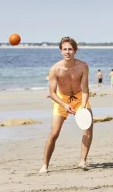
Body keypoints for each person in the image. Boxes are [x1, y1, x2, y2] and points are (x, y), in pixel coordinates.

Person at [40, 37, 93, 173]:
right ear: (60, 51)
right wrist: (64, 105)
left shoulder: (83, 67)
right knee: (54, 133)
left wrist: (82, 106)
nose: (67, 52)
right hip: (61, 99)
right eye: (64, 49)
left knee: (87, 128)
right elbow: (52, 93)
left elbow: (86, 89)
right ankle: (45, 165)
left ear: (75, 51)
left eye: (70, 49)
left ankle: (83, 161)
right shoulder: (55, 69)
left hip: (79, 98)